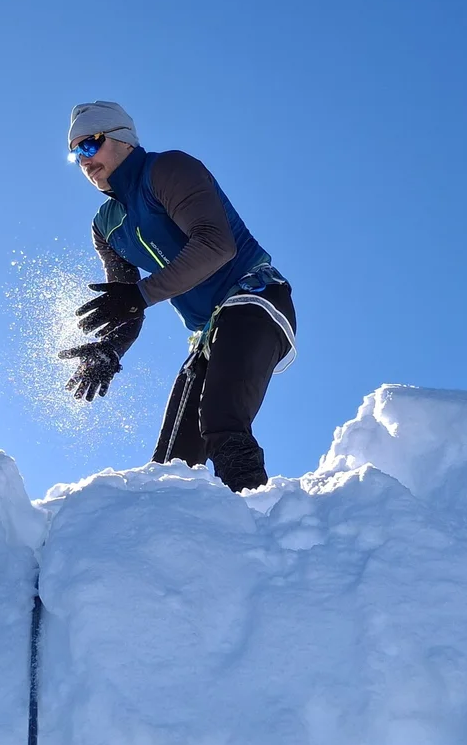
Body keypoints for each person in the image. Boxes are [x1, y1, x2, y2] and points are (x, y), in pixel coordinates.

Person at [59, 101, 297, 492]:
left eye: (90, 145)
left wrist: (139, 295)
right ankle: (171, 542)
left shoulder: (167, 169)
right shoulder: (106, 226)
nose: (83, 160)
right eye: (75, 153)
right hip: (210, 333)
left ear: (121, 139)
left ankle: (260, 529)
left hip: (256, 298)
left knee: (222, 418)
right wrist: (111, 348)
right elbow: (125, 302)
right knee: (171, 464)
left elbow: (217, 245)